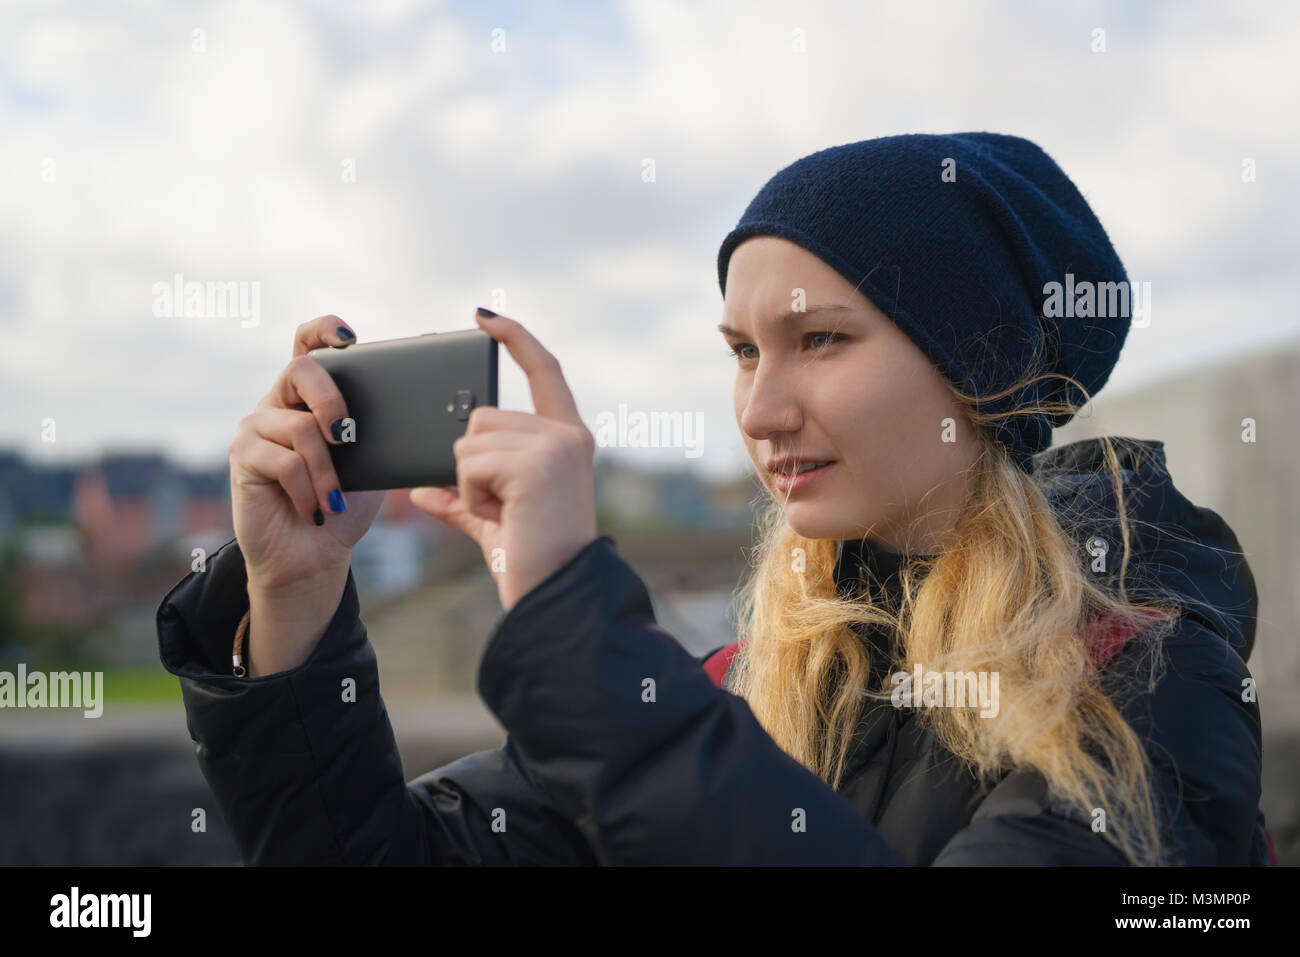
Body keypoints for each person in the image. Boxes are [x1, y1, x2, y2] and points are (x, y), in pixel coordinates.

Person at [157, 132, 1273, 866]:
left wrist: (570, 627)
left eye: (819, 341)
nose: (761, 410)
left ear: (974, 370)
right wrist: (294, 600)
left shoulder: (1145, 684)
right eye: (743, 351)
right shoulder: (745, 682)